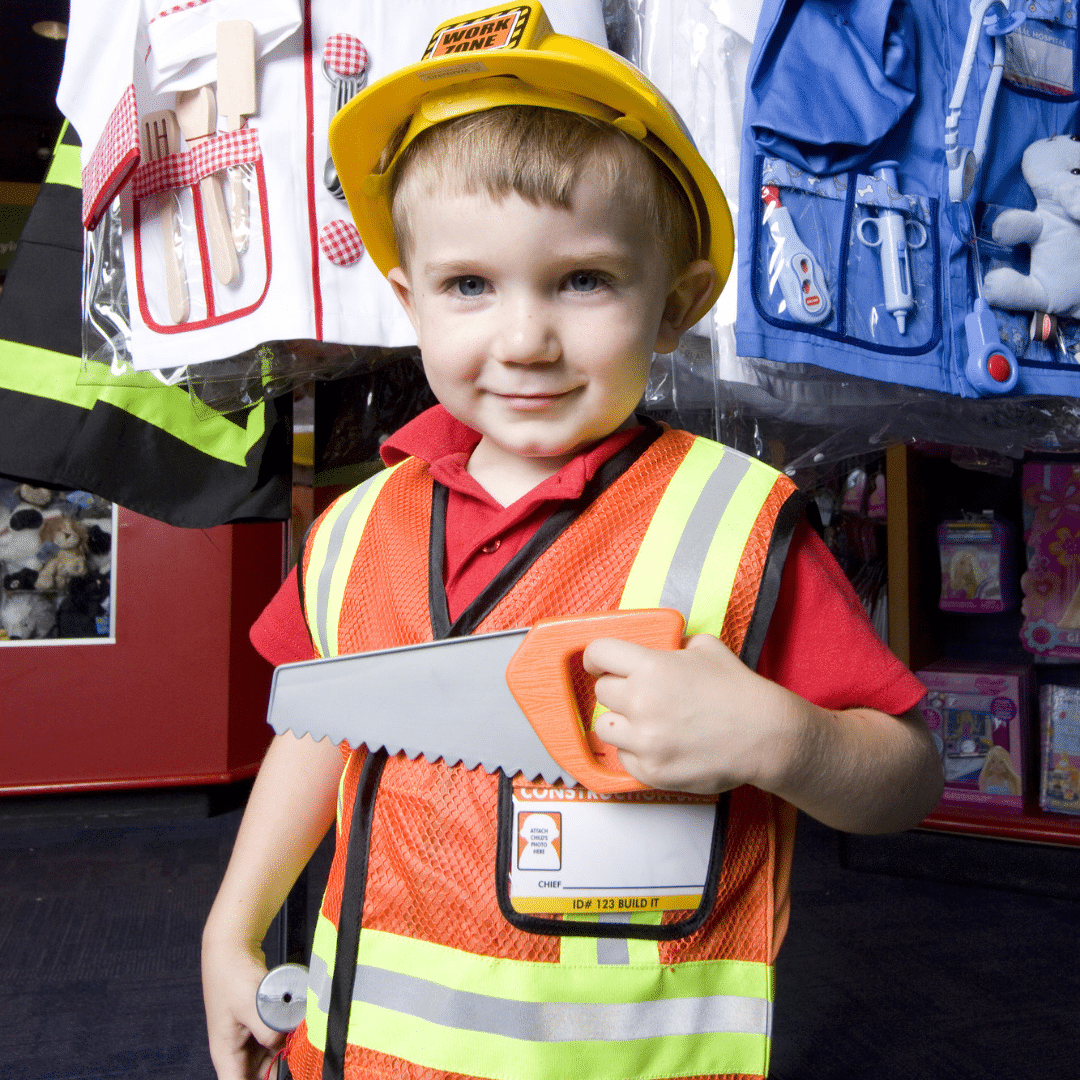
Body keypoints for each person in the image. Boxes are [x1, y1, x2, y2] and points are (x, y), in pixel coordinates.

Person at [201, 5, 944, 1080]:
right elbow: (322, 728)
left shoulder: (734, 525)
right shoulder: (356, 528)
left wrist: (786, 742)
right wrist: (231, 930)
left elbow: (909, 777)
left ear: (674, 302)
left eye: (583, 280)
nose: (523, 337)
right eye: (468, 286)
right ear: (411, 302)